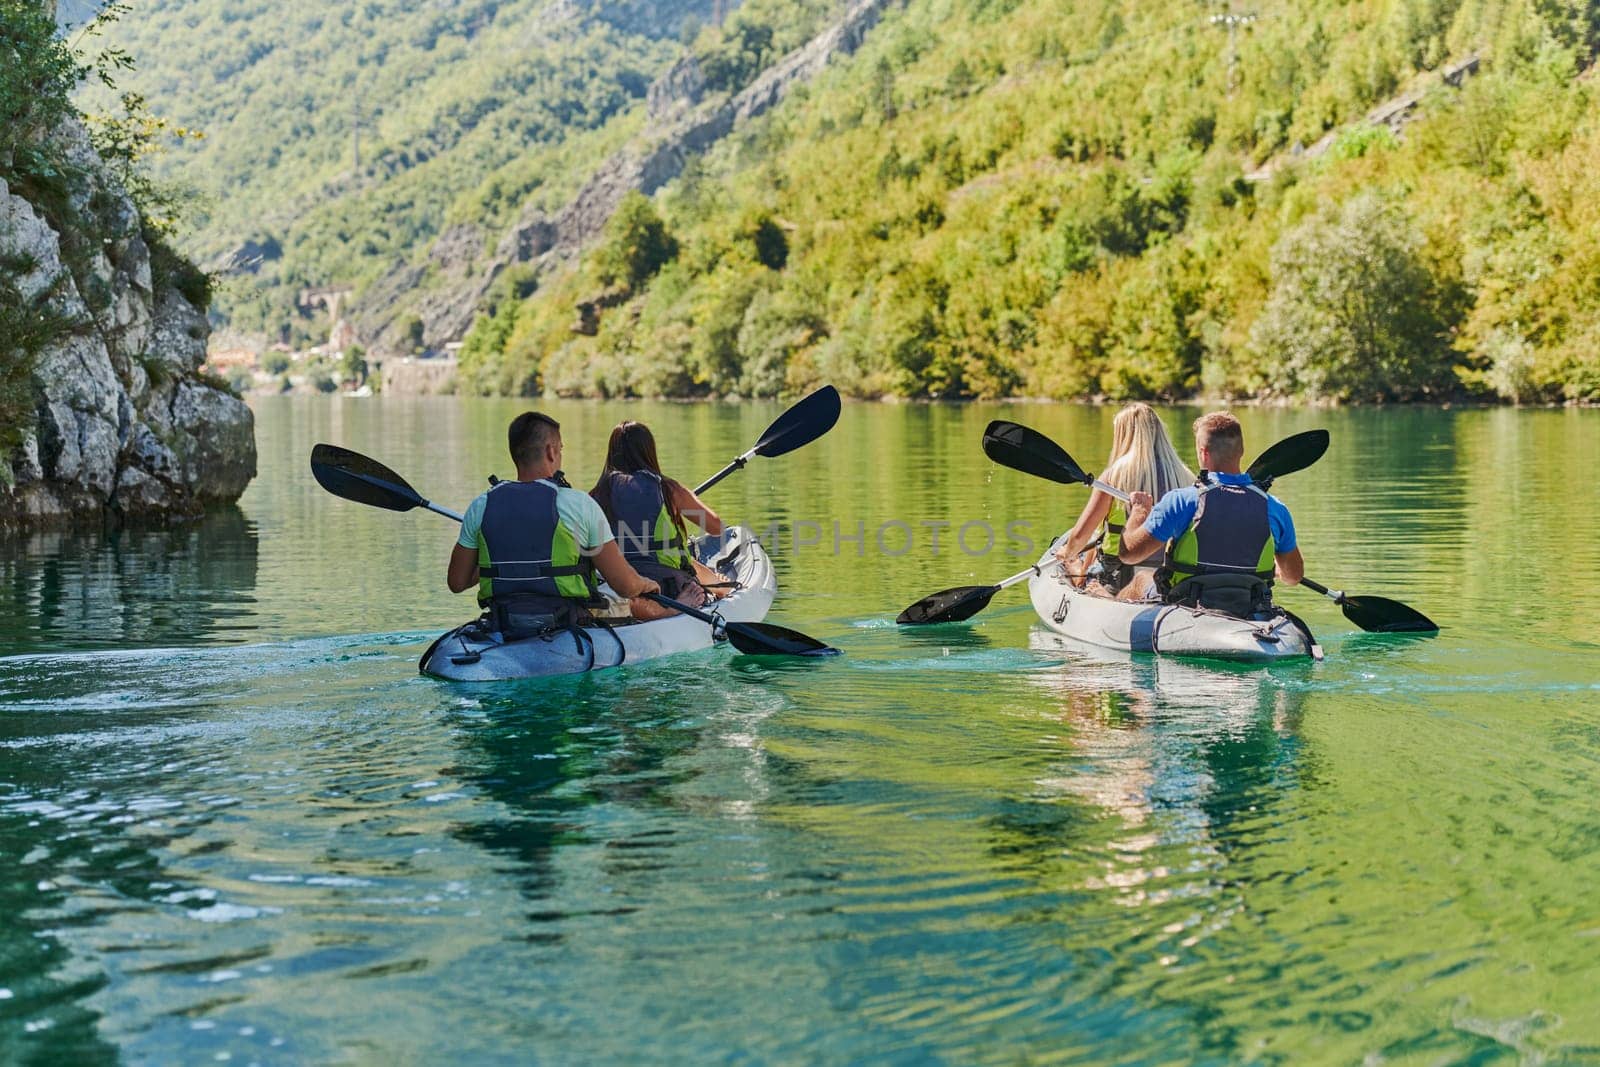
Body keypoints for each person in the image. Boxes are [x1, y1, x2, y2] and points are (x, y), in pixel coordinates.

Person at [447, 412, 658, 635]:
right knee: (620, 598)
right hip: (568, 622)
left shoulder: (481, 506)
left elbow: (457, 582)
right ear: (550, 451)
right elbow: (624, 585)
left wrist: (508, 559)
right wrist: (646, 584)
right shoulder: (578, 504)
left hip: (505, 620)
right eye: (561, 449)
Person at [1116, 411, 1305, 618]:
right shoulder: (1275, 508)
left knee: (1142, 578)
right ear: (1241, 451)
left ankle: (1111, 619)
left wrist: (1139, 511)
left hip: (1188, 602)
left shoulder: (1181, 501)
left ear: (1203, 453)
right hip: (1249, 605)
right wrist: (1274, 567)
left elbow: (1129, 554)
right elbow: (1293, 577)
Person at [590, 420, 729, 622]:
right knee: (688, 562)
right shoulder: (667, 489)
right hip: (667, 586)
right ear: (649, 452)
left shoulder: (595, 496)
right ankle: (718, 587)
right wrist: (682, 498)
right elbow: (717, 527)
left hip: (615, 584)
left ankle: (717, 584)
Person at [1052, 403, 1193, 601]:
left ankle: (1082, 577)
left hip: (1118, 577)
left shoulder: (1115, 476)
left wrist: (1067, 552)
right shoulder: (1185, 477)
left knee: (1076, 560)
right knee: (1093, 549)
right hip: (1167, 577)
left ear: (1124, 436)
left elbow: (1081, 535)